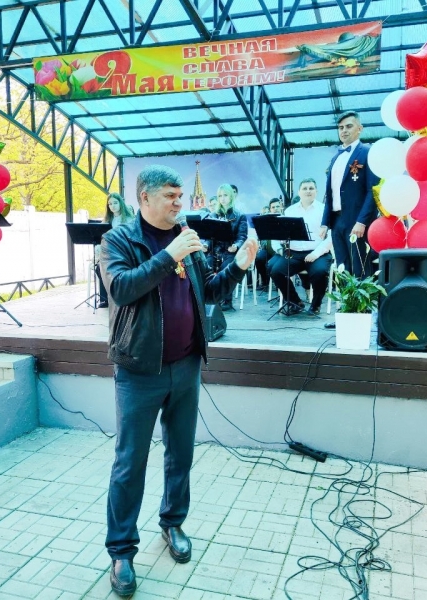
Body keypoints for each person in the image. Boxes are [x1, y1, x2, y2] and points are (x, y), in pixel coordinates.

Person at [99, 165, 257, 597]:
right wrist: (169, 256)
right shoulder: (118, 240)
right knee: (130, 462)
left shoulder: (185, 236)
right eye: (170, 196)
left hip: (186, 366)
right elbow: (122, 288)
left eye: (180, 196)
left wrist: (239, 267)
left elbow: (208, 291)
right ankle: (121, 551)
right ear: (144, 198)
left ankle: (172, 523)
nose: (178, 203)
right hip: (139, 370)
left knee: (180, 455)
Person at [320, 111, 378, 278]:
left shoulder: (368, 152)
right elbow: (330, 193)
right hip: (336, 221)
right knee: (342, 268)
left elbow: (372, 191)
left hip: (356, 221)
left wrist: (362, 221)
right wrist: (325, 222)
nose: (344, 130)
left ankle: (361, 298)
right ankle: (345, 297)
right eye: (341, 128)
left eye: (349, 126)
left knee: (359, 269)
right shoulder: (335, 158)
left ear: (359, 129)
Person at [267, 178, 333, 315]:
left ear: (316, 191)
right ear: (299, 192)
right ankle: (295, 302)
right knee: (276, 271)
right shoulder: (290, 211)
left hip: (317, 253)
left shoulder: (324, 210)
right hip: (294, 253)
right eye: (304, 188)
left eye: (311, 188)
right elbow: (284, 235)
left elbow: (331, 237)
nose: (308, 191)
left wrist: (316, 253)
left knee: (320, 272)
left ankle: (315, 305)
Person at [210, 184, 248, 311]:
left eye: (225, 195)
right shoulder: (213, 215)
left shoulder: (240, 215)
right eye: (220, 196)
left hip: (231, 251)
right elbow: (209, 236)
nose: (222, 198)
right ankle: (208, 298)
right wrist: (205, 245)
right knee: (205, 265)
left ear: (231, 196)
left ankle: (227, 300)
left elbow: (242, 236)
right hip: (215, 250)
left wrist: (236, 246)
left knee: (226, 268)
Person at [95, 193, 136, 308]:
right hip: (110, 251)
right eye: (110, 204)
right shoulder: (107, 220)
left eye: (115, 203)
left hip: (124, 250)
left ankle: (121, 295)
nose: (112, 206)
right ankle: (105, 299)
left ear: (120, 203)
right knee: (100, 268)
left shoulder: (129, 219)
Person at [254, 197, 282, 289]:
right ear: (270, 209)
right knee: (259, 259)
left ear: (281, 207)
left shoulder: (286, 218)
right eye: (273, 207)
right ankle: (265, 282)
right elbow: (261, 237)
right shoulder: (266, 220)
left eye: (277, 206)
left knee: (274, 264)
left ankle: (279, 283)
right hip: (268, 249)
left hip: (280, 250)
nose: (276, 209)